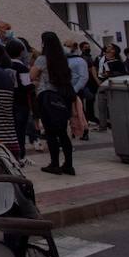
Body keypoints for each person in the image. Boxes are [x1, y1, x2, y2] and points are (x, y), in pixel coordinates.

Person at [30, 31, 81, 175]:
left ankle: (54, 164)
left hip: (47, 97)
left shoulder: (42, 59)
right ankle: (69, 165)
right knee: (63, 132)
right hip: (62, 98)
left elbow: (32, 75)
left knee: (51, 132)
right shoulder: (62, 59)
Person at [6, 39, 36, 157]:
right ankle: (20, 154)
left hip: (8, 101)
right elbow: (26, 85)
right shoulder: (22, 67)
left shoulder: (4, 65)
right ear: (20, 52)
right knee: (20, 131)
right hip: (21, 102)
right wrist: (34, 84)